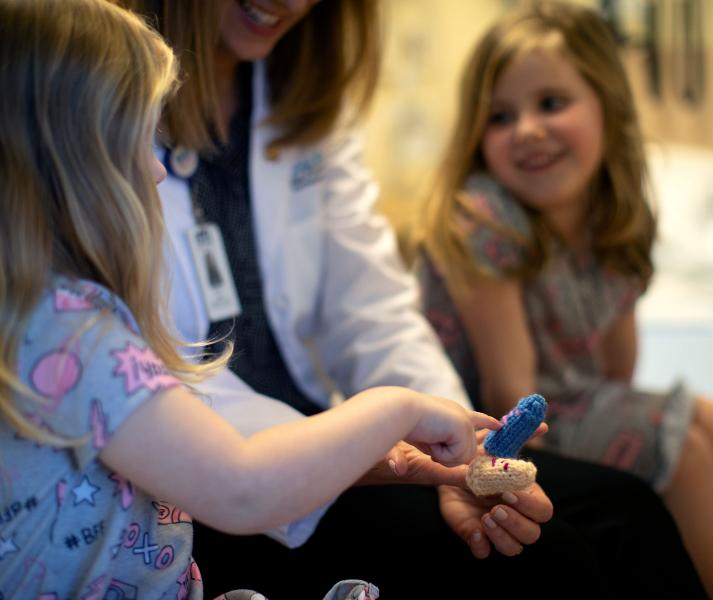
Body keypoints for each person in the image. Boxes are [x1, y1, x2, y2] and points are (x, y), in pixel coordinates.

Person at [117, 0, 709, 597]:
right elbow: (147, 380)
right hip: (204, 483)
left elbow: (372, 309)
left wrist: (450, 445)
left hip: (334, 441)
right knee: (552, 562)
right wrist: (367, 442)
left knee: (629, 515)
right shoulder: (95, 103)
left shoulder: (299, 94)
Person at [0, 0, 504, 596]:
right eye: (140, 145)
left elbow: (371, 307)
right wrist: (396, 409)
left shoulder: (34, 319)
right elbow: (242, 487)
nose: (158, 174)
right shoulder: (79, 339)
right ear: (75, 165)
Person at [419, 2, 713, 598]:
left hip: (565, 403)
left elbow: (615, 372)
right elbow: (506, 395)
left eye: (551, 103)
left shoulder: (613, 214)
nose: (527, 129)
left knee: (711, 422)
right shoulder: (486, 219)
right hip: (496, 425)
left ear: (608, 107)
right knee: (684, 446)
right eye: (500, 116)